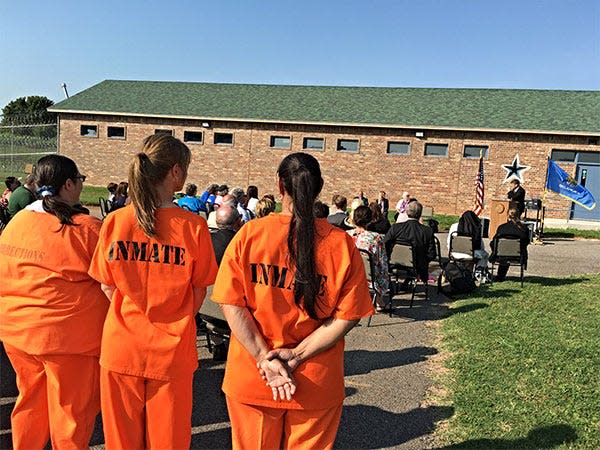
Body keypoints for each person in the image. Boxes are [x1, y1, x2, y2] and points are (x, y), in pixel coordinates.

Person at [211, 152, 373, 450]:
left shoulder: (250, 234)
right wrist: (296, 355)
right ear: (319, 188)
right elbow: (347, 316)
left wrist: (263, 356)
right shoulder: (340, 244)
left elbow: (231, 303)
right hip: (315, 379)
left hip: (254, 373)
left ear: (279, 185)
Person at [88, 134, 218, 449]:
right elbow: (200, 289)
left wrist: (133, 309)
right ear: (175, 173)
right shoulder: (193, 226)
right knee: (169, 440)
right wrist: (175, 314)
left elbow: (107, 284)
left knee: (121, 440)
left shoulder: (115, 221)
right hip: (171, 350)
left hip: (122, 344)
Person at [0, 155, 108, 449]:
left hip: (17, 332)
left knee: (30, 402)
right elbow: (112, 283)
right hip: (69, 339)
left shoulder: (17, 221)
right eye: (81, 180)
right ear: (69, 184)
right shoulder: (88, 228)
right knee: (71, 412)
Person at [384, 201, 437, 283]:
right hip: (417, 264)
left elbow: (385, 243)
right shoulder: (427, 231)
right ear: (420, 214)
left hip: (395, 262)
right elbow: (432, 254)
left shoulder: (395, 228)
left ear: (407, 212)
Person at [349, 205, 390, 311]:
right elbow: (382, 260)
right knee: (382, 267)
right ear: (370, 219)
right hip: (370, 277)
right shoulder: (376, 238)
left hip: (351, 274)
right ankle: (379, 301)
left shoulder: (348, 235)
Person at [491, 207, 529, 281]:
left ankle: (500, 276)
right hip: (518, 255)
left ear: (508, 216)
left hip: (501, 255)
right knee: (509, 251)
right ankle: (501, 276)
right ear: (519, 215)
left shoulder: (502, 228)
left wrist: (496, 251)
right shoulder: (523, 228)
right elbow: (526, 243)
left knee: (505, 252)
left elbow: (494, 242)